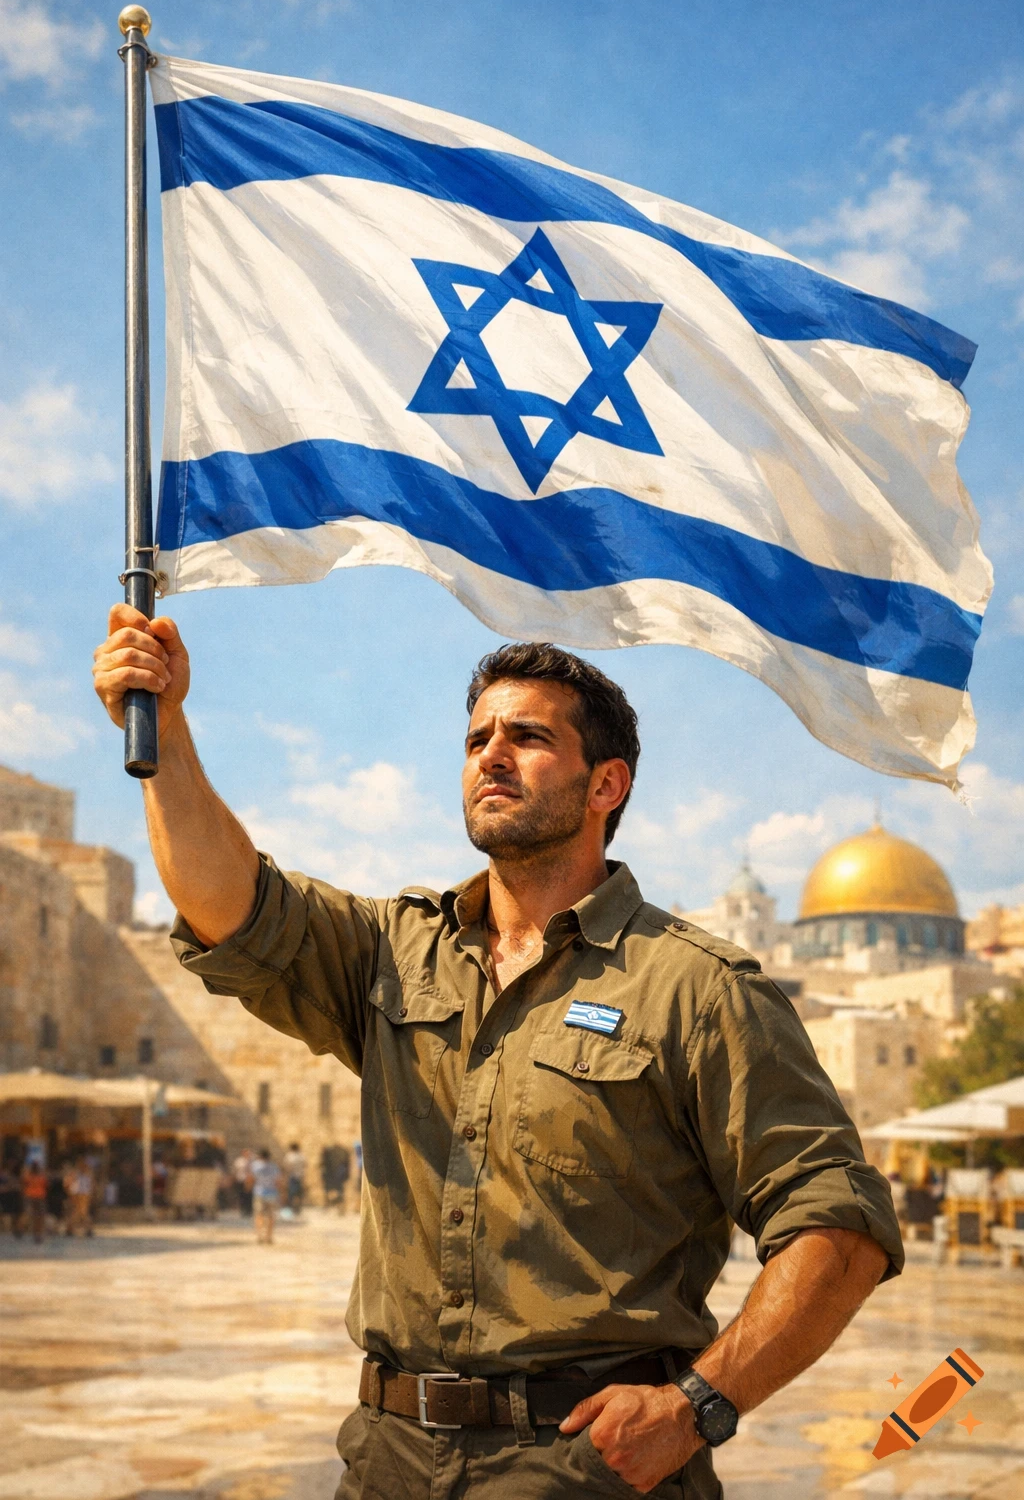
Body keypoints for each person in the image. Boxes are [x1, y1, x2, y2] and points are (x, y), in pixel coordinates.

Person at [93, 610, 903, 1500]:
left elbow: (839, 1227)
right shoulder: (394, 952)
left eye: (527, 736)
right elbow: (230, 905)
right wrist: (164, 726)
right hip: (390, 1459)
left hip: (585, 1468)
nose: (490, 754)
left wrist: (696, 1407)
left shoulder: (696, 990)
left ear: (607, 785)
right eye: (478, 737)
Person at [250, 1148, 283, 1243]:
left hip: (259, 1192)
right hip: (272, 1193)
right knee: (271, 1216)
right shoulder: (274, 1167)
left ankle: (260, 1235)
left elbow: (251, 1179)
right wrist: (281, 1193)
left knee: (259, 1214)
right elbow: (278, 1181)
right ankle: (269, 1236)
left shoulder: (255, 1166)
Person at [65, 1157, 94, 1238]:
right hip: (77, 1195)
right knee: (77, 1212)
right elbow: (67, 1183)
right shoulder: (74, 1173)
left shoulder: (88, 1174)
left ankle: (86, 1229)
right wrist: (70, 1193)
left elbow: (91, 1186)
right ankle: (70, 1229)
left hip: (84, 1195)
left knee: (82, 1213)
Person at [20, 1161, 47, 1244]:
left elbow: (23, 1185)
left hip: (36, 1197)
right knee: (34, 1216)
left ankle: (36, 1233)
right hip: (34, 1197)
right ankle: (24, 1229)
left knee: (37, 1217)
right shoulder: (37, 1176)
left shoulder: (33, 1176)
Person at [284, 1142, 306, 1215]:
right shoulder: (301, 1156)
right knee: (299, 1193)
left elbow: (287, 1166)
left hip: (292, 1176)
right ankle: (298, 1209)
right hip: (300, 1176)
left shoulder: (289, 1156)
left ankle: (292, 1208)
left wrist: (286, 1175)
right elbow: (305, 1165)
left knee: (291, 1193)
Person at [232, 1149, 255, 1216]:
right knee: (242, 1196)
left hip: (249, 1181)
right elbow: (235, 1170)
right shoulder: (239, 1161)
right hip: (241, 1180)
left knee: (249, 1196)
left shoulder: (252, 1161)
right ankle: (243, 1210)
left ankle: (249, 1210)